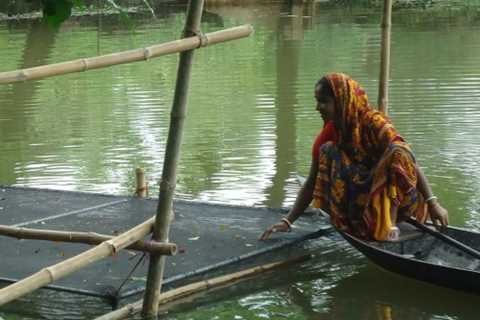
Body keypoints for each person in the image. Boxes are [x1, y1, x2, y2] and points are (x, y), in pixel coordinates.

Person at [260, 73, 449, 241]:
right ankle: (362, 223)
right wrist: (288, 221)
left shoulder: (374, 123)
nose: (318, 107)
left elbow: (409, 161)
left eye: (324, 101)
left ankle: (388, 224)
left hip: (400, 203)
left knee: (397, 151)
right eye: (317, 101)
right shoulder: (331, 133)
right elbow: (311, 182)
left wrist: (433, 204)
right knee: (327, 151)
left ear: (341, 101)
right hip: (363, 204)